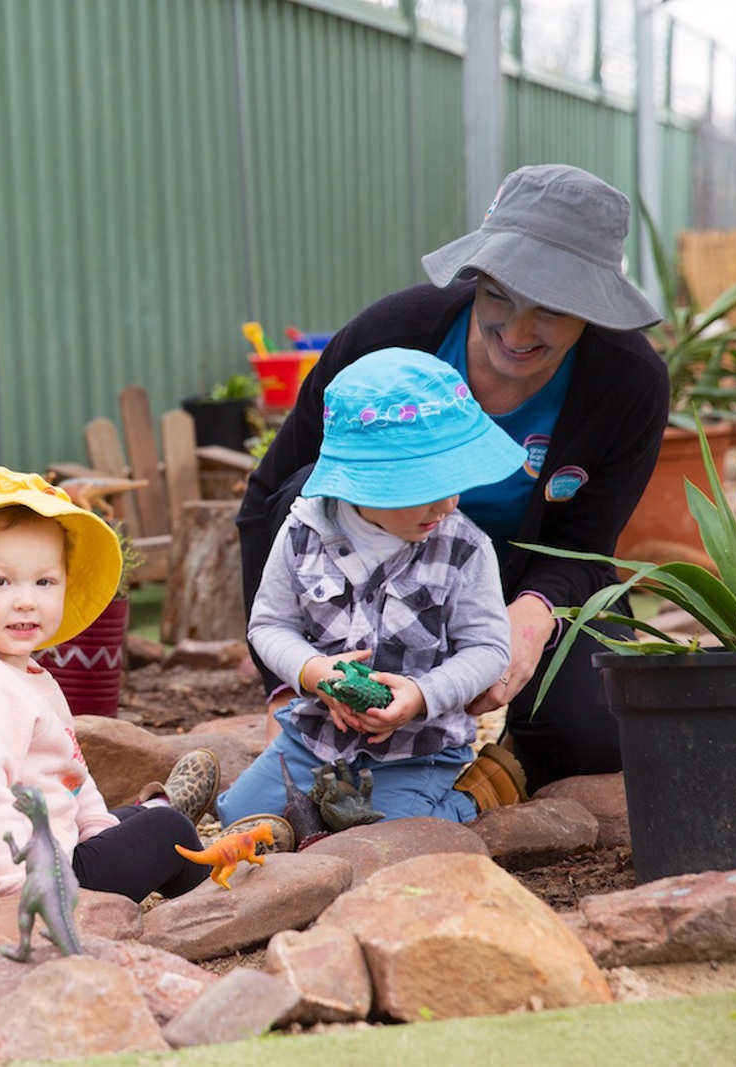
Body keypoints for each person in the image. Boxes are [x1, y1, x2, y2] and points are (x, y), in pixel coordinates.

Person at [239, 163, 669, 793]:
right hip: (364, 581)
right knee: (309, 484)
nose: (516, 333)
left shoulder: (628, 383)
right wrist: (288, 678)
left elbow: (585, 546)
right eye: (498, 297)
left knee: (599, 732)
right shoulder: (394, 335)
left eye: (550, 311)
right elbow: (270, 499)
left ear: (593, 308)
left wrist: (528, 622)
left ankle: (491, 773)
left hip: (519, 579)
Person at [216, 348, 528, 826]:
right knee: (242, 817)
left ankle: (478, 794)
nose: (446, 504)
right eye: (424, 489)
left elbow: (487, 648)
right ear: (362, 483)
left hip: (418, 750)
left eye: (455, 483)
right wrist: (315, 672)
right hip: (315, 740)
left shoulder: (464, 548)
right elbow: (270, 625)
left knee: (387, 837)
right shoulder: (303, 533)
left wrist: (421, 696)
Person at [0, 467, 219, 919]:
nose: (26, 600)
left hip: (46, 859)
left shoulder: (16, 673)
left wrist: (97, 830)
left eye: (44, 582)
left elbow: (66, 770)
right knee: (166, 830)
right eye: (0, 582)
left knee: (134, 823)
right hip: (11, 895)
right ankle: (221, 905)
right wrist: (20, 887)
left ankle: (152, 825)